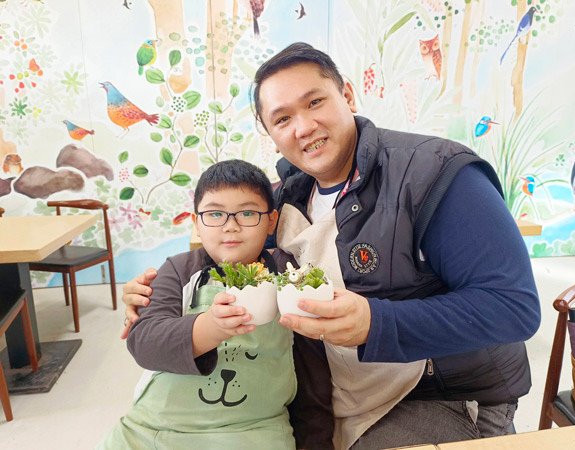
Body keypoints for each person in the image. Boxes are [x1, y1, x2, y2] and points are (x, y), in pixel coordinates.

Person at [122, 42, 541, 449]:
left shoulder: (436, 174)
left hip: (431, 394)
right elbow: (229, 244)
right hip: (325, 392)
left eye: (315, 102)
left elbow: (513, 308)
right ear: (270, 134)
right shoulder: (285, 197)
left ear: (347, 94)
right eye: (282, 119)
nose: (303, 127)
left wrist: (376, 323)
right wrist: (154, 291)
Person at [100, 159, 332, 449]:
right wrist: (210, 327)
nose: (231, 227)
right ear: (197, 223)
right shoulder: (178, 270)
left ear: (271, 220)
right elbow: (145, 342)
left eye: (247, 213)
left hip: (255, 429)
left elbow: (313, 377)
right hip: (156, 428)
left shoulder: (290, 276)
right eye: (215, 214)